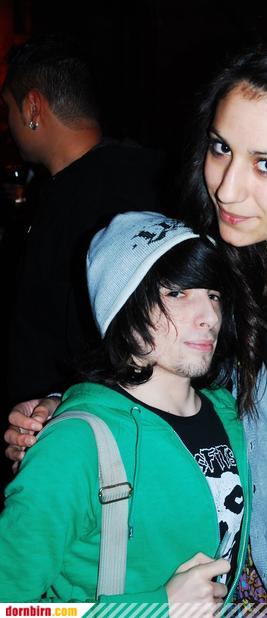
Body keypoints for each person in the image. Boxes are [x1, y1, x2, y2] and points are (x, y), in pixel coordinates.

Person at [8, 39, 267, 607]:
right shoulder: (229, 264)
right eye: (221, 148)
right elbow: (173, 362)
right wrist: (76, 409)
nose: (227, 186)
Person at [0, 210, 251, 608]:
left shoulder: (230, 411)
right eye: (177, 293)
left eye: (214, 295)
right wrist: (158, 607)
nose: (209, 317)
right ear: (124, 307)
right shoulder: (73, 446)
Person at [0, 33, 163, 409]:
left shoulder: (87, 202)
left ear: (32, 108)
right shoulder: (137, 175)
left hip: (75, 420)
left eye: (8, 108)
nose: (7, 122)